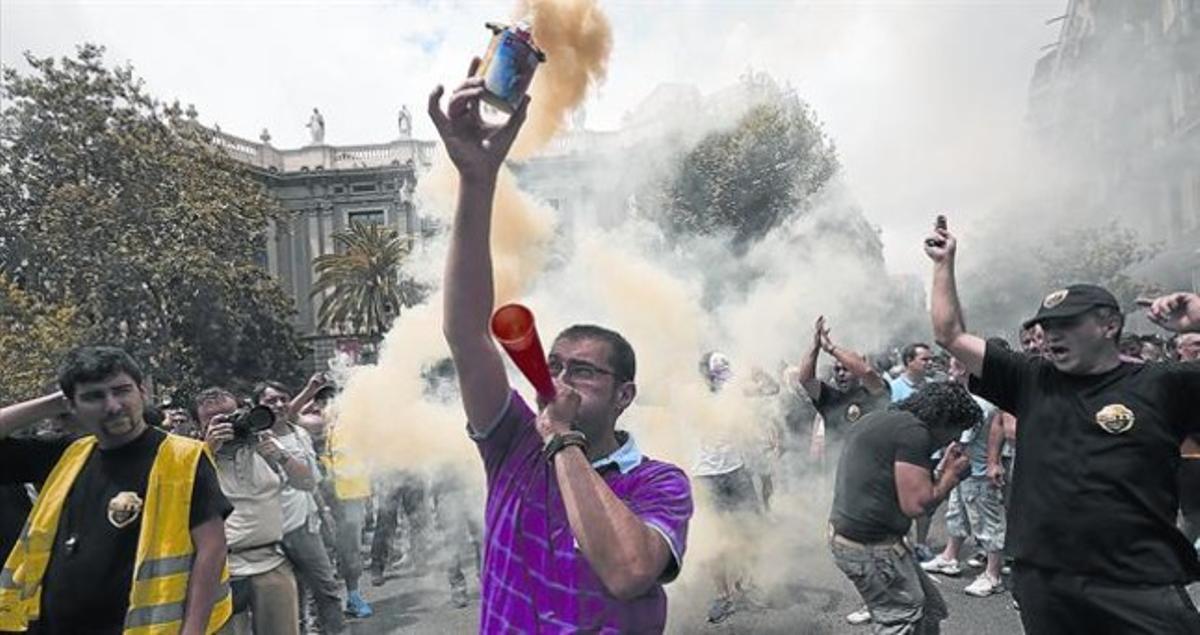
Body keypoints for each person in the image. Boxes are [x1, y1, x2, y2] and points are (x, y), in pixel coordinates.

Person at [429, 59, 693, 632]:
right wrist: (477, 180)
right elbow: (467, 335)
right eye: (553, 366)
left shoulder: (659, 482)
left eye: (584, 372)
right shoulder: (512, 444)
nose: (562, 380)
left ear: (625, 395)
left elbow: (628, 572)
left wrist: (563, 440)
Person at [925, 218, 1200, 634]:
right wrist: (944, 264)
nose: (1051, 335)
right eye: (1046, 326)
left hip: (1138, 583)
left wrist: (1199, 318)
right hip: (1046, 582)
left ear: (1110, 326)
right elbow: (950, 334)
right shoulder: (1031, 378)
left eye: (1067, 324)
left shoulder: (1164, 383)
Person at [0, 346, 233, 634]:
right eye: (93, 396)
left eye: (121, 390)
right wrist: (52, 403)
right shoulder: (68, 454)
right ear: (71, 406)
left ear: (142, 392)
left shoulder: (182, 457)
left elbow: (212, 549)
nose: (112, 405)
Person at [828, 381, 981, 634]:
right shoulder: (913, 432)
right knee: (900, 621)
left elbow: (917, 495)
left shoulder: (887, 420)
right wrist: (952, 477)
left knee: (930, 611)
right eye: (956, 429)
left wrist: (943, 470)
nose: (955, 439)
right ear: (942, 418)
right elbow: (917, 505)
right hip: (870, 548)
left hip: (867, 541)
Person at [196, 387, 300, 635]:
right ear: (198, 426)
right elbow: (179, 497)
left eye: (234, 415)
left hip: (272, 562)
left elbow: (305, 483)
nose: (231, 425)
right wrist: (207, 449)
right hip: (223, 571)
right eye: (218, 420)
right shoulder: (194, 457)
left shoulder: (263, 446)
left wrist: (281, 457)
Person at [255, 380, 347, 634]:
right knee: (291, 599)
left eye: (283, 398)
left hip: (307, 524)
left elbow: (311, 481)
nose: (279, 405)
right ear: (259, 408)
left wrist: (324, 511)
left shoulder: (300, 433)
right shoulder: (256, 443)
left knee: (326, 590)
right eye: (270, 401)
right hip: (276, 530)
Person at [921, 359, 1007, 598]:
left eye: (956, 365)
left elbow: (960, 444)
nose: (950, 371)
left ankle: (993, 575)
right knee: (957, 515)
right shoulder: (973, 401)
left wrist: (939, 469)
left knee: (988, 524)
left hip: (977, 474)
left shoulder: (977, 404)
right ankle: (949, 557)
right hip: (964, 473)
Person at [692, 352, 762, 625]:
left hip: (736, 469)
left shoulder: (734, 392)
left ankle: (745, 584)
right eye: (717, 373)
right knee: (715, 538)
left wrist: (754, 373)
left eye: (725, 373)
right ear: (705, 375)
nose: (723, 379)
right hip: (706, 475)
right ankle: (723, 595)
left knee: (751, 528)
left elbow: (771, 388)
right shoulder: (690, 395)